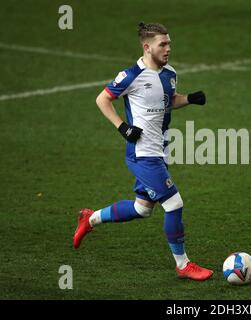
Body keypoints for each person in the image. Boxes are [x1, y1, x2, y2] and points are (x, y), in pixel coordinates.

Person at [73, 22, 213, 281]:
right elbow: (102, 99)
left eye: (169, 43)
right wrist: (122, 127)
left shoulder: (170, 73)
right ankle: (183, 265)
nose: (168, 48)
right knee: (174, 204)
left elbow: (167, 102)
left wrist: (189, 99)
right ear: (147, 47)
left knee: (142, 208)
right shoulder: (130, 76)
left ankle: (90, 218)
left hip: (159, 150)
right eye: (163, 44)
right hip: (142, 154)